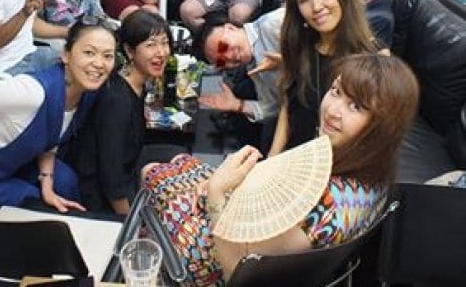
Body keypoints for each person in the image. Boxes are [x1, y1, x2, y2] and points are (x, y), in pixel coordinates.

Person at [142, 53, 419, 285]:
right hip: (247, 222)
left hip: (211, 257)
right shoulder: (374, 174)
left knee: (154, 170)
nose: (333, 110)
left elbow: (236, 272)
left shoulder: (323, 206)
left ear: (381, 126)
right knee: (177, 160)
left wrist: (216, 194)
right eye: (336, 91)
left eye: (355, 106)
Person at [0, 16, 117, 217]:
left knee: (64, 181)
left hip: (11, 165)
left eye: (108, 56)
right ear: (66, 55)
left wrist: (47, 183)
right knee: (37, 207)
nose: (99, 63)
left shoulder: (85, 94)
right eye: (89, 53)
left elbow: (51, 135)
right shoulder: (32, 92)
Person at [268, 0, 378, 155]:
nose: (316, 6)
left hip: (336, 164)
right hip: (293, 158)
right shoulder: (299, 46)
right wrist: (272, 158)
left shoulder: (371, 57)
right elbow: (288, 106)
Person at [74, 10, 172, 216]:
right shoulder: (116, 100)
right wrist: (130, 221)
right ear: (129, 51)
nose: (161, 52)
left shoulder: (135, 83)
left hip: (128, 173)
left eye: (164, 43)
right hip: (100, 200)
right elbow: (111, 177)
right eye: (151, 45)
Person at [196, 7, 285, 124]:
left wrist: (288, 62)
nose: (229, 57)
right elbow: (274, 108)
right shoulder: (252, 67)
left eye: (223, 47)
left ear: (230, 28)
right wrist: (237, 105)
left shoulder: (272, 23)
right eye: (222, 61)